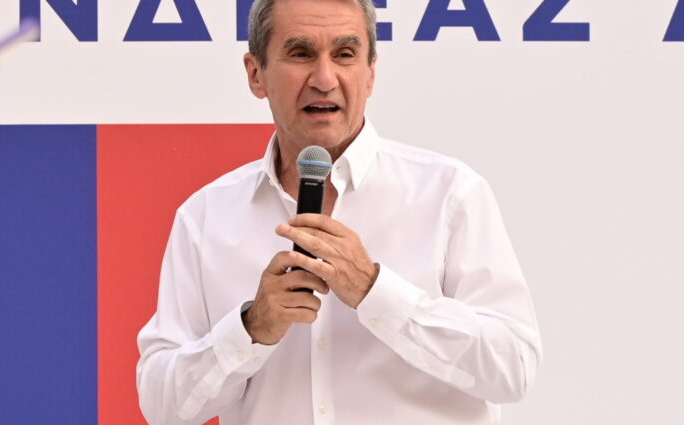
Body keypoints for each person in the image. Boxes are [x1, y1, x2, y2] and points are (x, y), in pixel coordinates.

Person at [136, 0, 542, 423]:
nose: (325, 79)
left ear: (370, 74)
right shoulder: (206, 216)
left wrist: (375, 291)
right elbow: (163, 408)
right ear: (256, 74)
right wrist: (250, 328)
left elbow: (513, 368)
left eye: (345, 54)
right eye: (301, 53)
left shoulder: (449, 193)